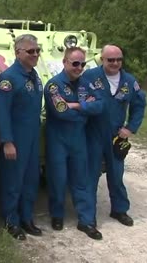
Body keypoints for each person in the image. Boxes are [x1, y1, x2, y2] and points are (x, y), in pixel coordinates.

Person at [83, 44, 147, 227]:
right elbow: (79, 99)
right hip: (93, 134)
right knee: (90, 176)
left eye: (119, 59)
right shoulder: (89, 76)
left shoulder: (129, 81)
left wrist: (130, 128)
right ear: (102, 59)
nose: (115, 63)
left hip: (116, 135)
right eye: (110, 59)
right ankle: (88, 217)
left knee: (116, 175)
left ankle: (119, 210)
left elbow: (139, 105)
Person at [44, 47, 103, 240]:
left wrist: (77, 105)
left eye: (83, 64)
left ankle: (86, 221)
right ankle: (57, 215)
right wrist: (86, 108)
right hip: (58, 139)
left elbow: (100, 106)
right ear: (65, 62)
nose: (79, 67)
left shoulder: (87, 83)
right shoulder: (53, 85)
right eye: (75, 63)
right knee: (57, 179)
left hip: (78, 139)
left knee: (81, 181)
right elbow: (60, 111)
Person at [0, 34, 43, 240]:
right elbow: (2, 112)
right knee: (12, 181)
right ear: (17, 53)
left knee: (31, 180)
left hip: (32, 139)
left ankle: (26, 218)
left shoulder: (35, 75)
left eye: (37, 51)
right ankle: (11, 221)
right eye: (30, 51)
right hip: (15, 139)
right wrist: (7, 141)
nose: (35, 55)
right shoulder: (9, 78)